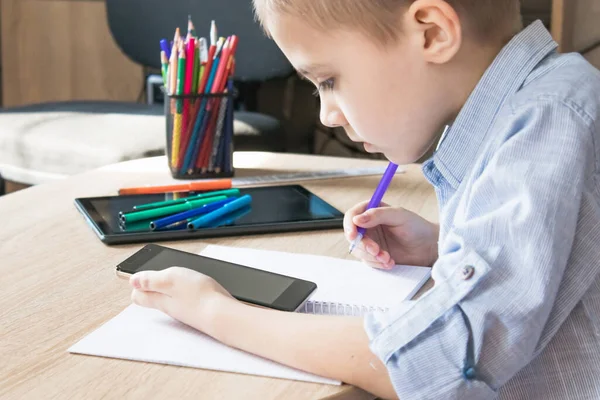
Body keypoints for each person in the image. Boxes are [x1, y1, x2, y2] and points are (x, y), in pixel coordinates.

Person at [128, 1, 600, 398]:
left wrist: (217, 312)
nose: (326, 114)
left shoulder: (546, 121)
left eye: (329, 80)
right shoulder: (545, 102)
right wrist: (444, 245)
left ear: (432, 33)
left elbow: (451, 358)